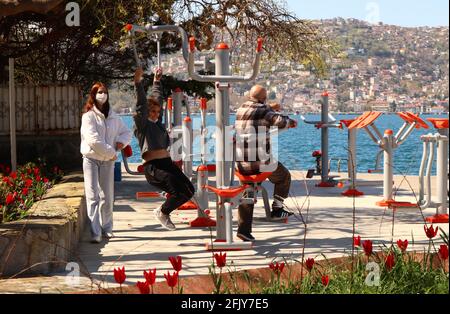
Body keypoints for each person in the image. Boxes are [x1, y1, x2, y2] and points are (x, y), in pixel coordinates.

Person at [133, 67, 195, 231]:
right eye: (151, 112)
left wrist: (157, 81)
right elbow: (141, 105)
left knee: (189, 190)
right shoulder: (143, 126)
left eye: (157, 112)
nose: (155, 114)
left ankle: (163, 211)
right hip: (154, 168)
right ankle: (162, 212)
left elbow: (158, 99)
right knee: (177, 192)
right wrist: (138, 83)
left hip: (167, 163)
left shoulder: (158, 125)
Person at [234, 85, 297, 242]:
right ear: (263, 98)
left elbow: (259, 112)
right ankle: (277, 209)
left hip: (241, 163)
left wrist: (269, 108)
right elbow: (281, 122)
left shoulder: (241, 109)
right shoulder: (264, 110)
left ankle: (244, 230)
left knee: (249, 189)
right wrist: (290, 121)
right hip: (260, 163)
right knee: (283, 176)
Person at [80, 82, 132, 243]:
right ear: (93, 94)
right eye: (99, 92)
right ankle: (95, 232)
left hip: (108, 162)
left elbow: (127, 132)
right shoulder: (88, 117)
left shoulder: (114, 117)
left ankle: (107, 228)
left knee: (107, 197)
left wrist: (121, 143)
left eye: (105, 92)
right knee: (93, 196)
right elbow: (93, 140)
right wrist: (111, 152)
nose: (103, 95)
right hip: (91, 160)